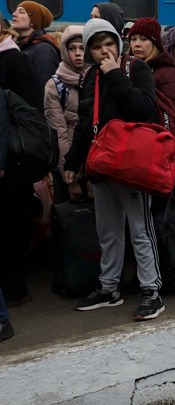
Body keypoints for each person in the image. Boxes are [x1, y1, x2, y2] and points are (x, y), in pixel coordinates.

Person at [64, 18, 164, 321]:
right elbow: (85, 122)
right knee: (107, 231)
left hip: (132, 164)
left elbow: (144, 109)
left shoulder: (135, 68)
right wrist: (73, 162)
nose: (104, 51)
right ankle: (109, 287)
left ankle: (152, 291)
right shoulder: (89, 77)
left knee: (140, 230)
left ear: (118, 44)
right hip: (103, 164)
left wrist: (115, 75)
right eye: (97, 47)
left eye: (109, 44)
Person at [0, 17, 39, 306]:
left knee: (12, 224)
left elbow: (30, 110)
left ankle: (15, 288)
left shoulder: (15, 59)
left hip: (13, 158)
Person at [128, 18, 175, 182]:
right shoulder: (129, 69)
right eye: (133, 39)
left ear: (155, 43)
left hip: (160, 149)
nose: (137, 44)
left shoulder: (167, 73)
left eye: (143, 39)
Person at [44, 25, 86, 203]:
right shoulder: (55, 86)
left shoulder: (100, 78)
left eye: (82, 48)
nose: (78, 53)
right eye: (72, 48)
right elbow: (59, 134)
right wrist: (70, 178)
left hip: (96, 168)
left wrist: (96, 177)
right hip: (69, 168)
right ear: (64, 51)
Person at [12, 1, 60, 103]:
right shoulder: (22, 45)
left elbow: (44, 89)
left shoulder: (43, 49)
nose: (14, 14)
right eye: (16, 11)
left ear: (34, 20)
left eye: (21, 12)